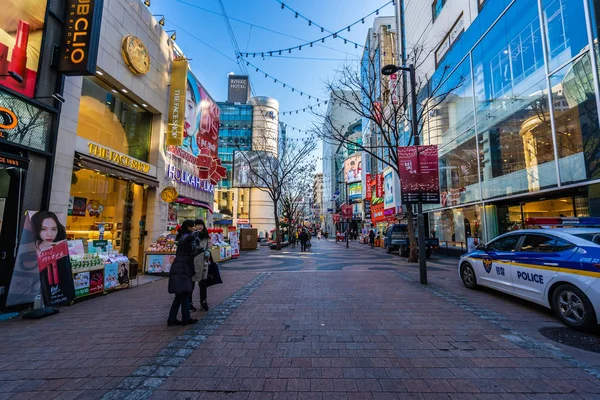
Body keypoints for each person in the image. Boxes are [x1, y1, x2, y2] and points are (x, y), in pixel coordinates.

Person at [167, 220, 200, 327]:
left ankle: (174, 318)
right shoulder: (188, 237)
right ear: (190, 227)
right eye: (193, 226)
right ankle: (182, 318)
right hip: (184, 266)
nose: (195, 228)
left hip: (179, 265)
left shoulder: (181, 236)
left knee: (181, 294)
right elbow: (193, 251)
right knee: (184, 292)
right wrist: (200, 248)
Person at [190, 219, 211, 312]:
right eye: (198, 225)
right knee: (191, 284)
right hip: (193, 263)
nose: (200, 226)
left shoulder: (206, 236)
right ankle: (189, 303)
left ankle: (203, 302)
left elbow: (209, 246)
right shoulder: (192, 236)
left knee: (203, 284)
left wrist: (208, 251)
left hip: (204, 263)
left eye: (201, 225)